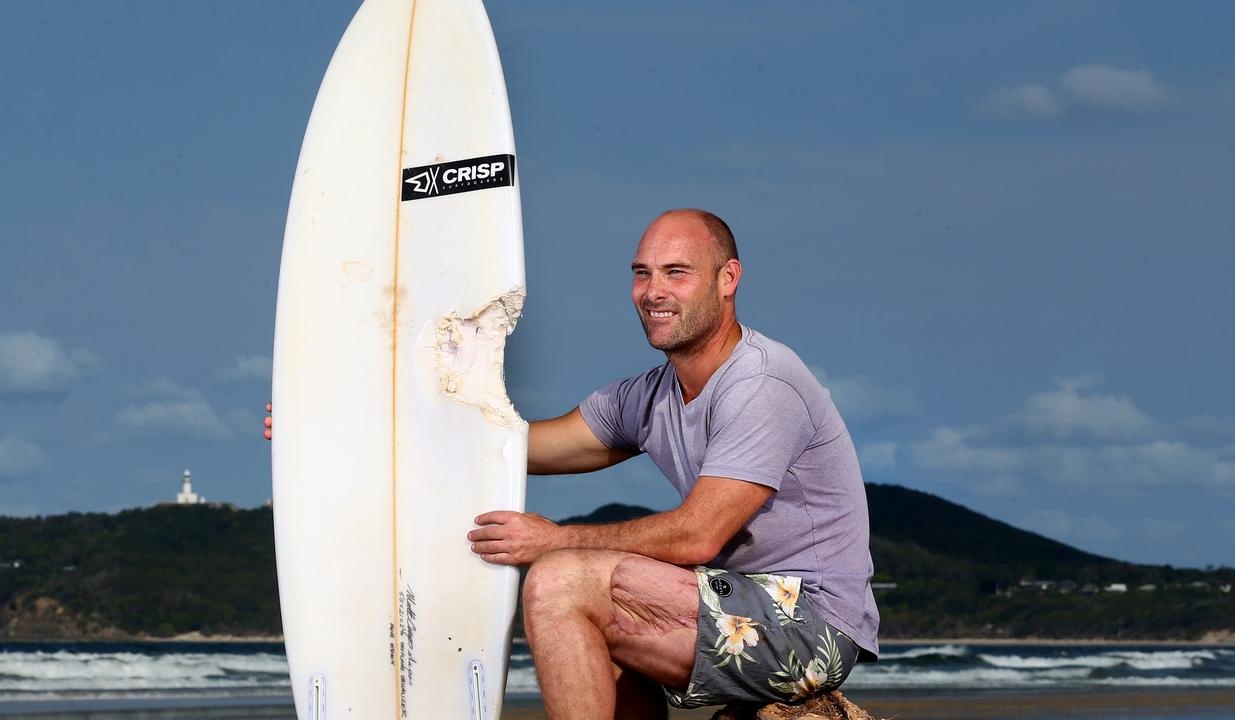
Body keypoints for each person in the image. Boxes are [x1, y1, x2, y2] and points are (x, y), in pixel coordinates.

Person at [265, 209, 878, 719]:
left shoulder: (760, 383)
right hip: (734, 608)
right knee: (591, 621)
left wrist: (555, 540)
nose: (654, 291)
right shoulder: (650, 395)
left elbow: (698, 534)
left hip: (811, 623)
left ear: (728, 279)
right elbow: (517, 445)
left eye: (677, 273)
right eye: (642, 274)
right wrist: (337, 432)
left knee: (561, 580)